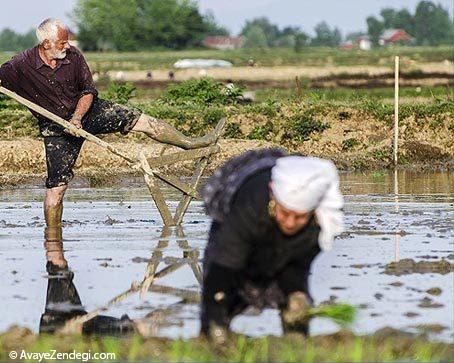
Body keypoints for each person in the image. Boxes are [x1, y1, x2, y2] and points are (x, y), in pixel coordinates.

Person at [0, 18, 219, 228]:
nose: (68, 45)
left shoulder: (73, 56)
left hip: (88, 111)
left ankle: (189, 143)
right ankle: (53, 239)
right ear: (46, 43)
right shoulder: (20, 65)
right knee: (56, 189)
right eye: (62, 42)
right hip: (56, 128)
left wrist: (77, 118)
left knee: (141, 120)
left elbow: (87, 91)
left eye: (68, 40)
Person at [200, 149, 344, 341]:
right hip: (242, 206)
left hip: (277, 227)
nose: (291, 223)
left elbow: (294, 266)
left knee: (296, 304)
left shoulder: (320, 224)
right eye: (285, 213)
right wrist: (215, 324)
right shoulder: (250, 205)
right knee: (221, 297)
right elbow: (224, 266)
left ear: (313, 211)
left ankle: (297, 342)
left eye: (300, 217)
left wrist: (296, 295)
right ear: (272, 195)